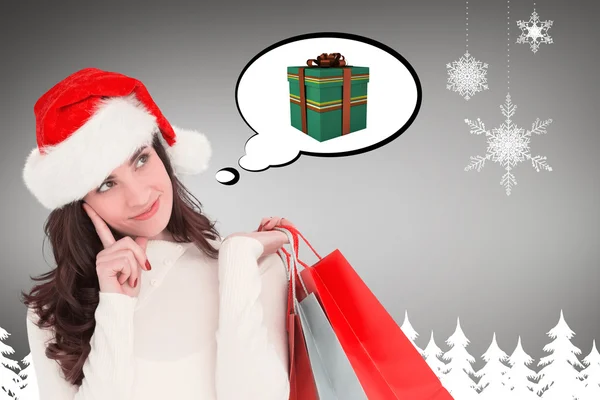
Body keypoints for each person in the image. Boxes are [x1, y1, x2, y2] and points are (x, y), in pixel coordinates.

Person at [20, 68, 292, 399]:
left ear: (161, 155)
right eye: (107, 184)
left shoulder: (255, 267)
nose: (138, 196)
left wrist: (236, 259)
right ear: (80, 204)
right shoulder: (52, 313)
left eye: (140, 160)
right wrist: (115, 305)